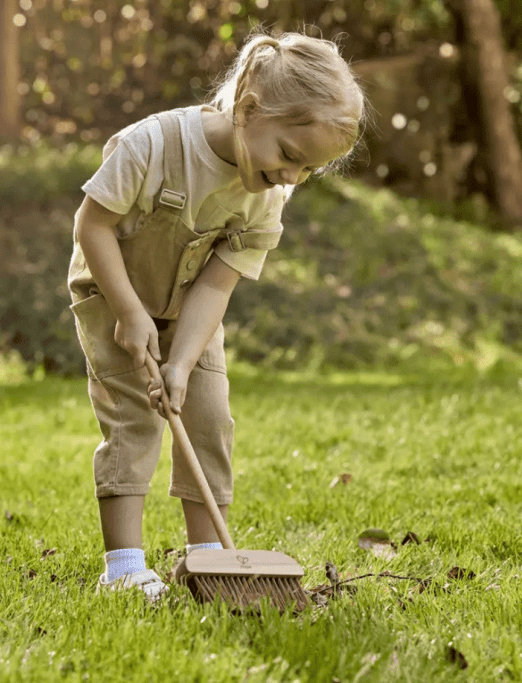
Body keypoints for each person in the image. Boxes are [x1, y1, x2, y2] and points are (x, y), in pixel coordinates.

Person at [68, 29, 367, 601]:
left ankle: (210, 561)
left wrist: (181, 362)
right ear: (249, 110)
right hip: (112, 293)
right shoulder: (153, 145)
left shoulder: (267, 197)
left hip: (190, 306)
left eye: (309, 170)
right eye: (289, 156)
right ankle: (124, 569)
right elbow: (93, 225)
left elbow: (217, 282)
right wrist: (129, 311)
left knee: (207, 416)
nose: (292, 177)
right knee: (135, 418)